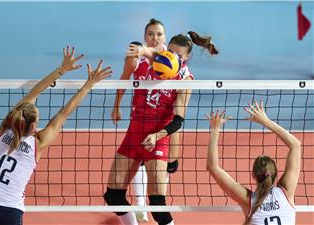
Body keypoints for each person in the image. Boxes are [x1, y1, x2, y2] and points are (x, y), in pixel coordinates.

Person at [0, 45, 112, 225]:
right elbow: (64, 113)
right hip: (11, 211)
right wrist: (89, 84)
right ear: (34, 126)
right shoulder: (38, 144)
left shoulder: (5, 129)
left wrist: (61, 70)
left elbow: (31, 95)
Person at [104, 31, 218, 225]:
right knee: (113, 196)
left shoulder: (185, 80)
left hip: (158, 139)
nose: (172, 59)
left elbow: (178, 120)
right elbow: (145, 51)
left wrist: (157, 136)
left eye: (179, 56)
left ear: (187, 58)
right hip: (134, 134)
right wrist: (140, 49)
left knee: (157, 205)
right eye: (170, 53)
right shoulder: (158, 59)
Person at [111, 18, 172, 223]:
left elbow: (161, 57)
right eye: (151, 34)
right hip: (135, 128)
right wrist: (117, 105)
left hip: (159, 131)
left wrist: (144, 50)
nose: (155, 38)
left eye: (159, 34)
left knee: (157, 204)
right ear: (145, 36)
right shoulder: (135, 56)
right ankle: (136, 215)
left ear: (165, 37)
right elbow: (124, 77)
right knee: (113, 195)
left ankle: (144, 206)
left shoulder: (170, 57)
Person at [206, 101, 301, 225]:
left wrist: (215, 129)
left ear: (253, 175)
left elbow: (212, 167)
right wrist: (265, 121)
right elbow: (296, 145)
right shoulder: (286, 192)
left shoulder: (248, 200)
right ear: (275, 174)